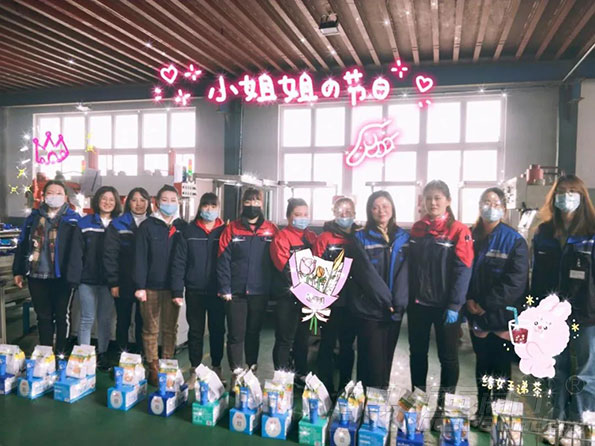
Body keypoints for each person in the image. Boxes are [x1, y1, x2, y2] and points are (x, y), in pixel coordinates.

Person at [531, 175, 595, 445]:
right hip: (551, 315)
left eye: (572, 191)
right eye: (562, 191)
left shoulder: (591, 232)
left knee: (585, 371)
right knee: (556, 369)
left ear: (582, 196)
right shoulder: (544, 233)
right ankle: (557, 420)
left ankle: (579, 423)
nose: (566, 196)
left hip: (586, 314)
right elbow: (536, 276)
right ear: (554, 196)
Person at [408, 180, 474, 429]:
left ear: (447, 201)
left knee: (447, 358)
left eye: (437, 198)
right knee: (417, 354)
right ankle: (417, 403)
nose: (432, 203)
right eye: (428, 198)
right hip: (418, 306)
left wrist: (455, 305)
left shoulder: (458, 230)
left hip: (445, 307)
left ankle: (443, 409)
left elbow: (464, 269)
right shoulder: (418, 229)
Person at [465, 187, 529, 432]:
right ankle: (482, 410)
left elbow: (515, 282)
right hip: (475, 313)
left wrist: (484, 304)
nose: (490, 207)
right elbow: (462, 271)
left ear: (503, 208)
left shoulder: (514, 241)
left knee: (500, 366)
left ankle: (497, 414)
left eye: (495, 203)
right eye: (486, 202)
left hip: (502, 315)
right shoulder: (470, 236)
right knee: (482, 363)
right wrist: (468, 300)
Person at [217, 188, 278, 382]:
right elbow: (223, 259)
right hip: (236, 293)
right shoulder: (232, 229)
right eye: (249, 202)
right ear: (242, 204)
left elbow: (278, 259)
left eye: (256, 201)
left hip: (260, 291)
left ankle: (252, 369)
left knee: (253, 333)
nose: (253, 205)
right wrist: (225, 287)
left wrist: (274, 288)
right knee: (236, 335)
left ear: (262, 204)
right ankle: (236, 372)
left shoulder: (271, 229)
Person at [13, 180, 80, 354]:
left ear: (65, 197)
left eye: (59, 193)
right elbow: (22, 244)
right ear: (43, 196)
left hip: (62, 277)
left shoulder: (74, 219)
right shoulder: (33, 218)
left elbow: (78, 251)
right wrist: (18, 271)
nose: (54, 196)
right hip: (37, 276)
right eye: (50, 193)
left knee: (62, 316)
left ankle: (61, 353)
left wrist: (75, 276)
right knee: (43, 317)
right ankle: (46, 354)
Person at [351, 191, 409, 388]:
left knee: (386, 360)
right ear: (369, 211)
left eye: (385, 206)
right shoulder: (360, 238)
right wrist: (386, 300)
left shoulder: (404, 237)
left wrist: (398, 302)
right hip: (370, 309)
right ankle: (364, 399)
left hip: (395, 310)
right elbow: (365, 274)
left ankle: (380, 399)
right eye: (375, 207)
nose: (381, 211)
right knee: (370, 361)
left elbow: (405, 272)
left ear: (392, 208)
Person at [134, 184, 187, 385]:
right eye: (165, 200)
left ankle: (167, 363)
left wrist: (179, 287)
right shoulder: (147, 226)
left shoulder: (182, 227)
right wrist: (140, 286)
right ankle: (153, 366)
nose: (169, 204)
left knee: (170, 328)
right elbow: (140, 258)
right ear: (156, 202)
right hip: (150, 287)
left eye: (173, 200)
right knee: (150, 328)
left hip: (173, 287)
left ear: (178, 203)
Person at [171, 193, 226, 382]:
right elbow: (179, 262)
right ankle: (195, 370)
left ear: (218, 208)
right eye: (206, 205)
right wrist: (177, 290)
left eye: (213, 206)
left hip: (218, 290)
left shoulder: (225, 231)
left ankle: (217, 367)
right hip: (194, 290)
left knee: (218, 330)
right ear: (200, 207)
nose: (209, 209)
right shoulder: (189, 231)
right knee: (195, 331)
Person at [68, 186, 121, 370]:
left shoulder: (119, 224)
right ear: (97, 200)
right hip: (87, 280)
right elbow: (76, 253)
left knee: (105, 319)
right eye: (104, 198)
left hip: (109, 282)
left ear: (116, 203)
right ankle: (84, 357)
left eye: (111, 199)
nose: (107, 202)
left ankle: (103, 354)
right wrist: (75, 278)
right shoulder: (85, 223)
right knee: (87, 318)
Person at [312, 197, 359, 395]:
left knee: (348, 346)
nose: (344, 215)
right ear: (334, 212)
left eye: (348, 211)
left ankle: (345, 388)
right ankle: (325, 387)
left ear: (354, 213)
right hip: (330, 302)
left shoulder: (359, 237)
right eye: (340, 211)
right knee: (327, 344)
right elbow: (315, 270)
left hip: (354, 303)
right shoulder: (324, 238)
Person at [270, 198, 317, 384]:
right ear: (289, 216)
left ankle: (301, 374)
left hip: (307, 297)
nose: (302, 218)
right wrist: (302, 286)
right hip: (287, 296)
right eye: (298, 214)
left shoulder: (311, 237)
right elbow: (284, 267)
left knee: (303, 338)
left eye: (305, 214)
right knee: (284, 339)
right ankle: (281, 379)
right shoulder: (281, 238)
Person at [104, 187, 151, 356]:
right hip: (123, 281)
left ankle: (140, 355)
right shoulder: (118, 224)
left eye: (142, 200)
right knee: (123, 320)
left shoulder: (153, 224)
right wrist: (113, 282)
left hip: (146, 283)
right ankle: (122, 356)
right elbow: (110, 255)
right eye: (134, 200)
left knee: (142, 321)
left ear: (149, 203)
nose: (139, 204)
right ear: (128, 202)